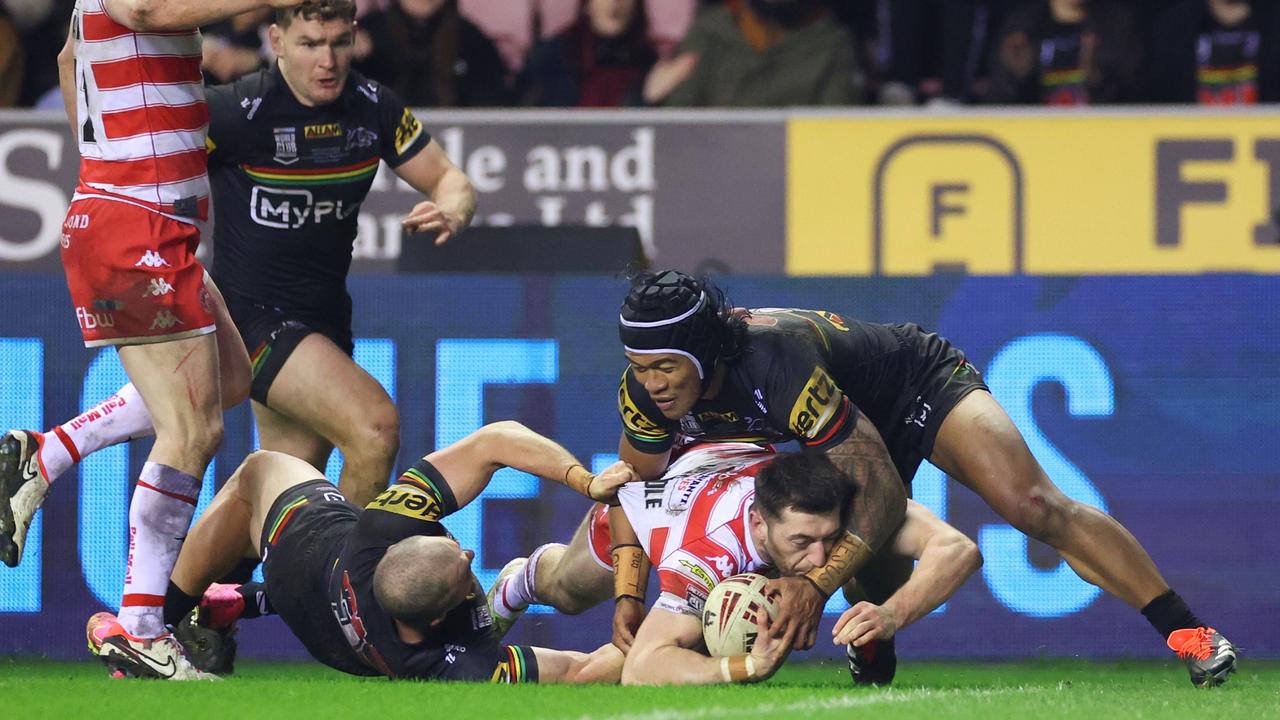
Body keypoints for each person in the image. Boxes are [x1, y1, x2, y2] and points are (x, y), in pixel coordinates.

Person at [522, 269, 1238, 688]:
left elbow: (882, 486)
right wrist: (626, 582)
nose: (653, 384)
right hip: (839, 432)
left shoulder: (777, 363)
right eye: (640, 367)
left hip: (910, 385)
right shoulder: (647, 394)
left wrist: (813, 587)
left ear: (704, 353)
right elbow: (637, 493)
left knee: (1033, 504)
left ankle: (1191, 637)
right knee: (861, 566)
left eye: (666, 366)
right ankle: (876, 653)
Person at [0, 0, 303, 682]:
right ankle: (141, 627)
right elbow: (145, 7)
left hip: (143, 217)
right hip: (139, 218)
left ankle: (47, 454)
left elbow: (68, 59)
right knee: (191, 433)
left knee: (228, 383)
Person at [86, 421, 634, 682]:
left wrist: (586, 483)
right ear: (446, 611)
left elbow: (496, 440)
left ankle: (152, 627)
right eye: (461, 560)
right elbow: (583, 671)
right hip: (328, 632)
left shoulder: (379, 530)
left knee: (256, 471)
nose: (463, 549)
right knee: (258, 478)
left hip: (295, 557)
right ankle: (224, 606)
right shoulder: (438, 664)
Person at [205, 0, 478, 507]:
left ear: (354, 37)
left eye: (339, 43)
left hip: (324, 320)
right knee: (374, 429)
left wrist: (452, 209)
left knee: (289, 493)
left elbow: (449, 178)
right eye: (310, 44)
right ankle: (347, 581)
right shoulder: (234, 111)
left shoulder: (373, 106)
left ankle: (197, 585)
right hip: (252, 320)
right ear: (278, 41)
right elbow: (138, 155)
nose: (327, 60)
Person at [492, 443, 981, 685]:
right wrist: (745, 666)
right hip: (648, 519)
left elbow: (958, 549)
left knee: (867, 554)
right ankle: (518, 582)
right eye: (801, 541)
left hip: (714, 466)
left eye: (827, 538)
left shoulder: (837, 502)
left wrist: (891, 614)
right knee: (567, 594)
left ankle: (870, 642)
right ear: (760, 525)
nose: (817, 559)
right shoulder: (707, 555)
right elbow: (642, 668)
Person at [643, 0, 861, 107]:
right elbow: (678, 123)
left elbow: (835, 127)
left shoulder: (832, 44)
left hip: (798, 176)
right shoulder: (708, 34)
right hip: (714, 169)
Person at [353, 0, 512, 107]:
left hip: (456, 147)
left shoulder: (472, 41)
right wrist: (349, 58)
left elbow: (492, 115)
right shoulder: (363, 35)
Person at [985, 0, 1143, 105]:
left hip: (1099, 135)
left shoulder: (1116, 25)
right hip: (1035, 137)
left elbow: (1137, 97)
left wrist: (1098, 81)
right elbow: (998, 99)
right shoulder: (1022, 27)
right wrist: (1015, 78)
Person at [518, 0, 658, 108]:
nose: (615, 3)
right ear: (588, 4)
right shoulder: (553, 54)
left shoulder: (647, 59)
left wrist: (643, 96)